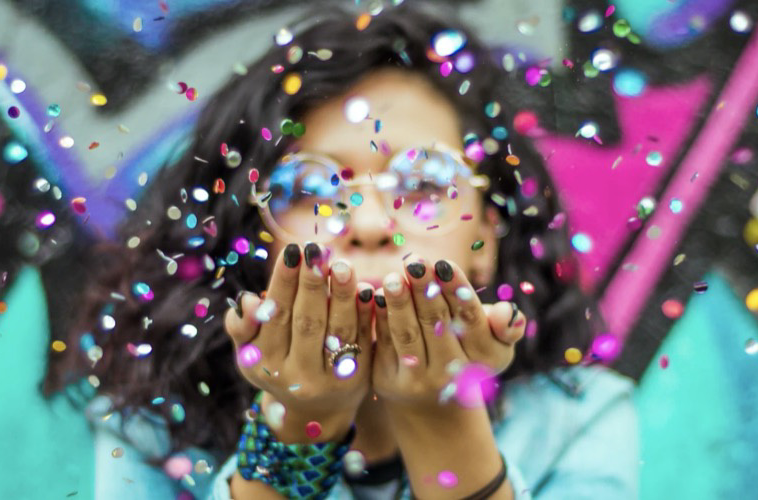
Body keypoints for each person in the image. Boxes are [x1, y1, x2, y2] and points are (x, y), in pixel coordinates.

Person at [44, 3, 639, 499]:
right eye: (309, 190)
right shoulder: (155, 426)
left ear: (485, 236)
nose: (372, 223)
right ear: (257, 239)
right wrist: (297, 428)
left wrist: (442, 417)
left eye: (424, 184)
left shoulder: (578, 419)